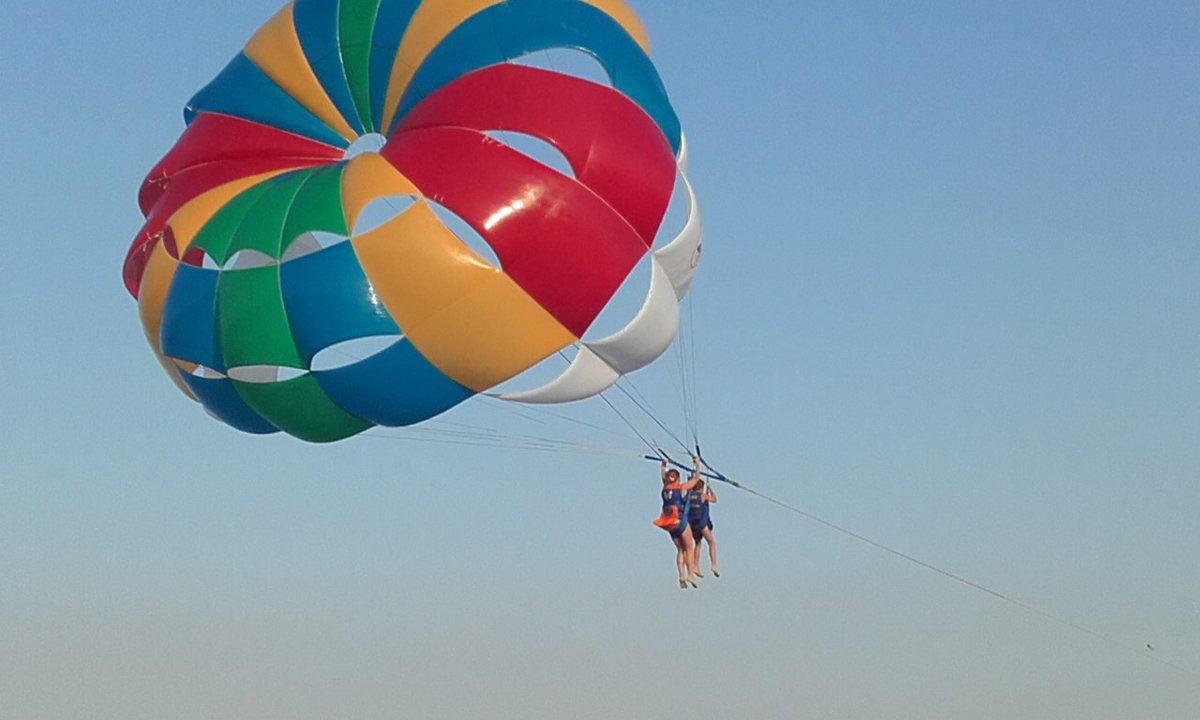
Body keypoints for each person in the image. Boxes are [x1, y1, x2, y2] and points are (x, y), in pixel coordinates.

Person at [652, 457, 701, 588]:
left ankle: (681, 575)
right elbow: (696, 479)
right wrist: (697, 464)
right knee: (689, 548)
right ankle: (690, 574)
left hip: (668, 524)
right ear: (678, 478)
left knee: (680, 549)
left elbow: (663, 477)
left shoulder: (665, 488)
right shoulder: (681, 487)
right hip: (679, 521)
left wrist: (663, 465)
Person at [687, 480, 719, 578]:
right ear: (701, 488)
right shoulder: (703, 496)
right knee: (711, 542)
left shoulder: (689, 496)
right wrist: (710, 489)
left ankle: (695, 566)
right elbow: (714, 499)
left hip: (692, 523)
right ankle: (714, 564)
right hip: (701, 523)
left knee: (698, 544)